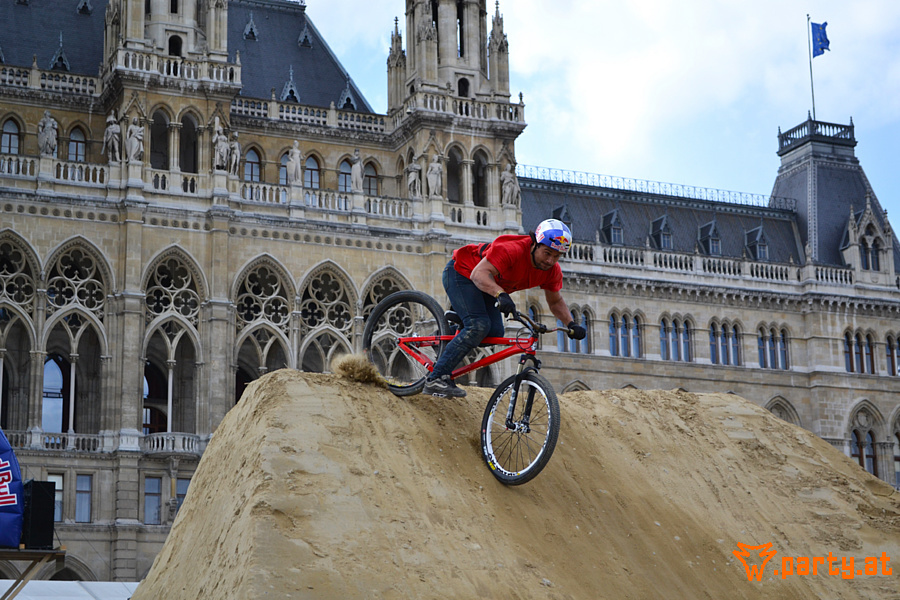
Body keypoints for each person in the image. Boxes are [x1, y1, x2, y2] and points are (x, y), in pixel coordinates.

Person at [423, 219, 586, 398]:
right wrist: (500, 294)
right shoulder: (512, 250)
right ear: (535, 243)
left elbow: (555, 302)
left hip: (487, 285)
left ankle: (445, 336)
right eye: (547, 253)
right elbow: (478, 274)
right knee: (478, 325)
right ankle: (435, 379)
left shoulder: (551, 270)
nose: (550, 260)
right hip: (462, 273)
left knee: (494, 333)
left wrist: (571, 323)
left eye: (556, 257)